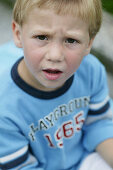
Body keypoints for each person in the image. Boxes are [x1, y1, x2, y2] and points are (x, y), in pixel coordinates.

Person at [0, 0, 113, 169]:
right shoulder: (5, 106)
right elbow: (21, 166)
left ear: (89, 43)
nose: (55, 55)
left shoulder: (91, 71)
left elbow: (99, 124)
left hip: (83, 158)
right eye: (42, 37)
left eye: (71, 40)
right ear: (17, 34)